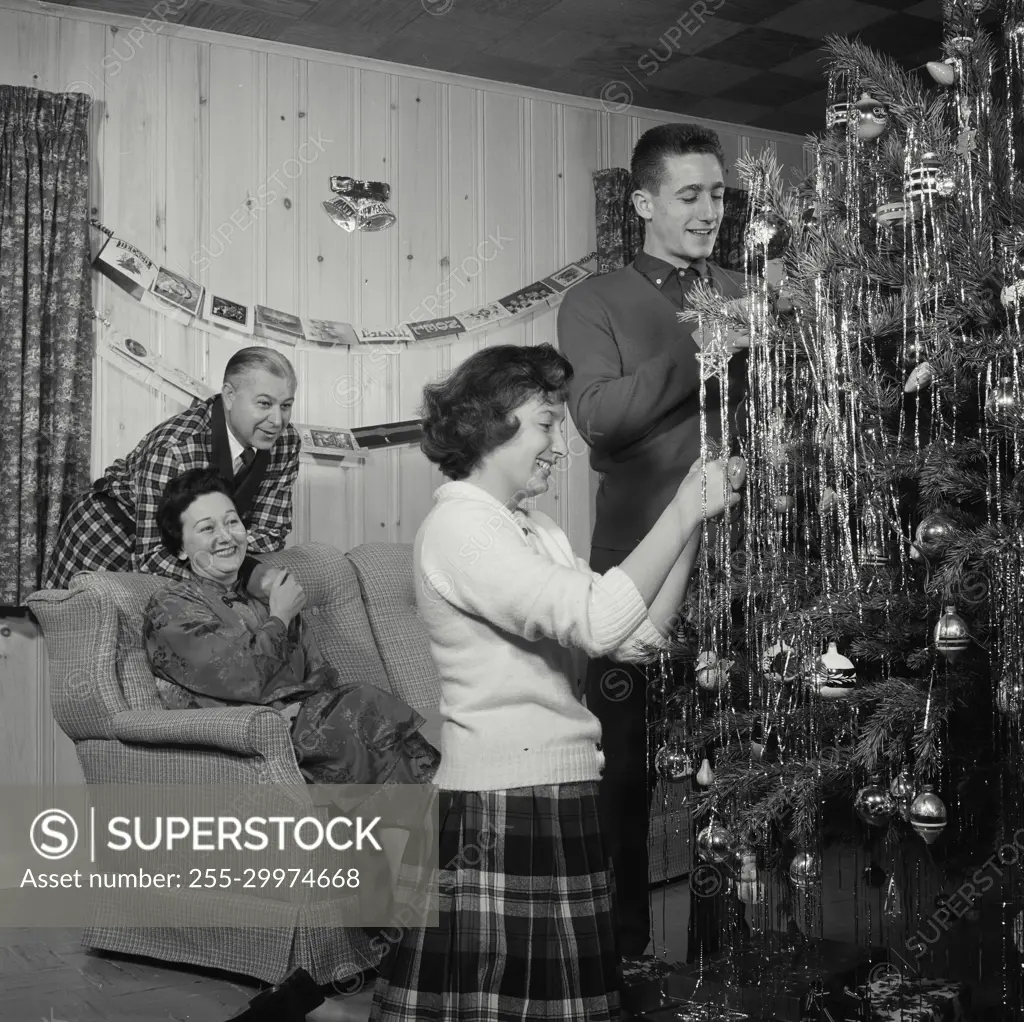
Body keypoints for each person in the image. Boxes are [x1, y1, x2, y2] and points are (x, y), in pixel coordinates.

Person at [368, 344, 744, 1022]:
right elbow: (601, 622)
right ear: (491, 423)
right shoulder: (461, 528)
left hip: (556, 787)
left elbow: (638, 635)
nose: (558, 446)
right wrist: (680, 510)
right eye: (546, 423)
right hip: (501, 797)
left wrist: (694, 525)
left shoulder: (532, 528)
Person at [556, 122, 750, 965]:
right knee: (624, 774)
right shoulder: (596, 301)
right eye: (691, 194)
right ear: (642, 203)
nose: (711, 210)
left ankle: (722, 947)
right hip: (633, 567)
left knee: (735, 765)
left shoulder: (751, 289)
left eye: (718, 193)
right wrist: (703, 342)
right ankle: (620, 951)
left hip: (748, 568)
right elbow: (601, 419)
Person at [44, 347, 300, 598]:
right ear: (230, 396)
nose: (277, 420)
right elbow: (152, 556)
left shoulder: (286, 443)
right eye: (264, 404)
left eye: (286, 406)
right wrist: (223, 589)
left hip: (189, 551)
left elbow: (270, 533)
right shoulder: (175, 448)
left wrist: (219, 551)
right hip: (107, 534)